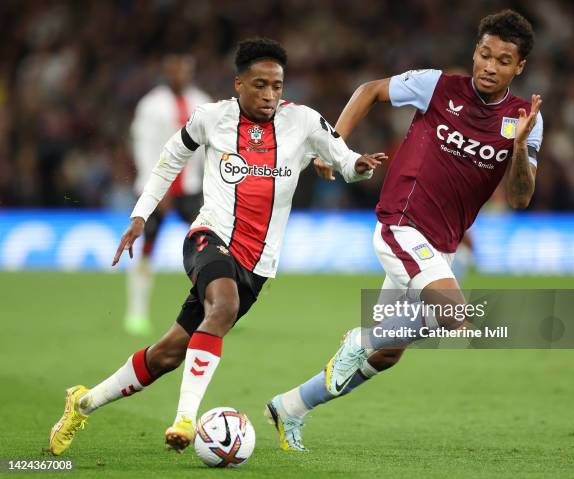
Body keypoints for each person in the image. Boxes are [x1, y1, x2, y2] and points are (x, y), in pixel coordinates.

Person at [48, 38, 386, 456]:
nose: (269, 95)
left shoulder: (304, 123)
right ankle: (186, 420)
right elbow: (169, 159)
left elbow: (344, 159)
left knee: (168, 353)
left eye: (277, 86)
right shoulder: (211, 118)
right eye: (260, 85)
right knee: (222, 308)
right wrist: (139, 215)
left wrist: (358, 165)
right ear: (238, 83)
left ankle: (82, 402)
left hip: (258, 264)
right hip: (210, 236)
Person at [266, 9, 544, 452]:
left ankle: (290, 407)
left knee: (386, 354)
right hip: (401, 223)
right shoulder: (438, 86)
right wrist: (334, 146)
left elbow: (520, 197)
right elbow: (371, 90)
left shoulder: (525, 120)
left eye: (503, 60)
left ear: (520, 67)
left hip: (441, 245)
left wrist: (516, 148)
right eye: (484, 54)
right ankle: (358, 340)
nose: (490, 66)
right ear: (474, 51)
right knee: (453, 314)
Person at [126, 53, 211, 336]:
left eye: (185, 70)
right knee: (147, 248)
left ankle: (220, 305)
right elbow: (144, 146)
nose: (180, 76)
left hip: (191, 188)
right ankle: (136, 312)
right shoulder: (151, 105)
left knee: (211, 246)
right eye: (175, 71)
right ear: (167, 72)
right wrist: (156, 186)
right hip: (157, 188)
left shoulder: (201, 100)